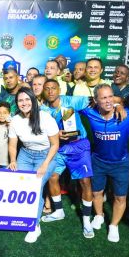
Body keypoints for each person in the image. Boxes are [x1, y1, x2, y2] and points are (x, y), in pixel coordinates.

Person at [39, 80, 94, 238]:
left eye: (53, 88)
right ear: (43, 91)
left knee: (85, 181)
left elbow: (95, 100)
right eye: (47, 89)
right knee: (52, 176)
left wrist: (117, 104)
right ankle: (58, 211)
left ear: (59, 89)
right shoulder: (43, 109)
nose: (50, 91)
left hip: (78, 145)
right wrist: (56, 135)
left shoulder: (71, 101)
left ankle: (87, 221)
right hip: (59, 147)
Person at [81, 84, 129, 242]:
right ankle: (99, 215)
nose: (108, 100)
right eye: (103, 98)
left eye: (110, 96)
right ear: (96, 100)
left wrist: (119, 105)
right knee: (97, 192)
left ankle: (114, 225)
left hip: (121, 163)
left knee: (120, 197)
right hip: (98, 161)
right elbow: (69, 102)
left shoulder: (126, 115)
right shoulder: (90, 113)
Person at [8, 88, 59, 243]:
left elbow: (55, 145)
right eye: (20, 100)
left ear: (34, 100)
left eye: (27, 99)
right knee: (22, 185)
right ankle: (24, 215)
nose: (24, 103)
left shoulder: (46, 118)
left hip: (46, 155)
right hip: (25, 154)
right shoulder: (15, 120)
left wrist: (45, 165)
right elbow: (12, 144)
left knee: (35, 187)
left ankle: (34, 226)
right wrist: (13, 160)